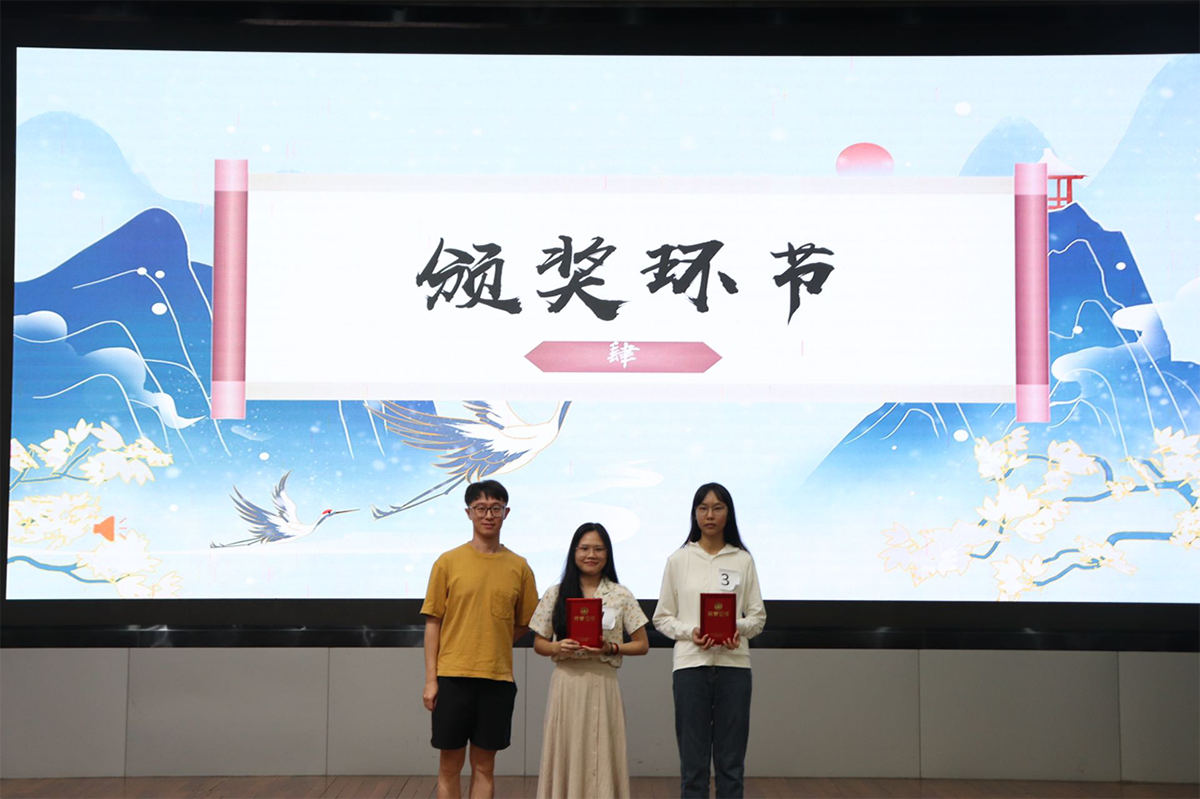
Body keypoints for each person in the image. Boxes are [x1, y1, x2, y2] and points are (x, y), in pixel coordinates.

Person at [421, 480, 539, 799]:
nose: (488, 515)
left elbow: (526, 622)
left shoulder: (519, 567)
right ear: (469, 513)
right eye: (481, 508)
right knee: (449, 766)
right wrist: (431, 680)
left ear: (506, 513)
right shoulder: (448, 562)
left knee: (485, 767)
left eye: (495, 508)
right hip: (452, 678)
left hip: (497, 680)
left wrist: (493, 641)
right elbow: (433, 623)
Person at [653, 483, 766, 799]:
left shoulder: (742, 559)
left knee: (731, 765)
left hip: (734, 667)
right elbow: (662, 617)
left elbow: (758, 617)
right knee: (693, 767)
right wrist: (691, 632)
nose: (710, 515)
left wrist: (735, 628)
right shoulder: (678, 559)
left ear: (728, 513)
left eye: (717, 508)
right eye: (703, 508)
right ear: (694, 514)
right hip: (690, 667)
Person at [529, 522, 650, 799]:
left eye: (598, 549)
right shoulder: (556, 593)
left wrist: (611, 648)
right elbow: (538, 643)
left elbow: (642, 644)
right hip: (567, 682)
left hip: (603, 682)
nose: (591, 555)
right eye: (584, 548)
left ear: (607, 554)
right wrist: (557, 646)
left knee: (603, 752)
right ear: (574, 552)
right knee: (567, 751)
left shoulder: (620, 594)